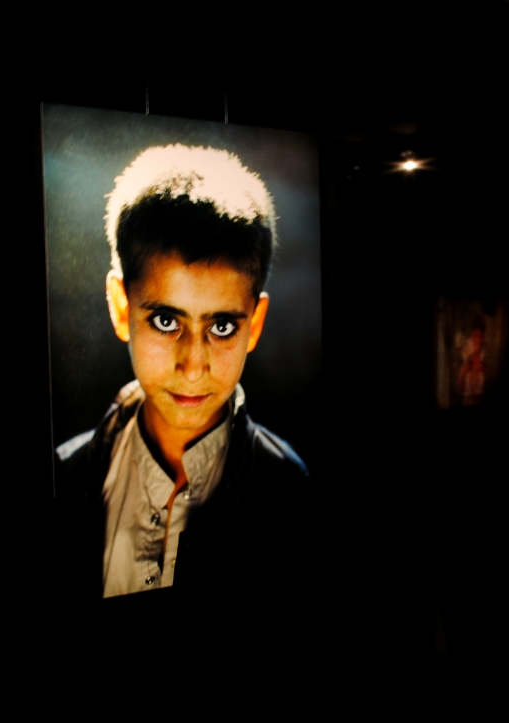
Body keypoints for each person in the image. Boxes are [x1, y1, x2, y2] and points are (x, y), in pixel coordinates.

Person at [52, 144, 310, 604]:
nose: (193, 368)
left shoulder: (288, 491)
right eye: (166, 320)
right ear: (120, 307)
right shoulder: (64, 478)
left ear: (255, 325)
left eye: (222, 326)